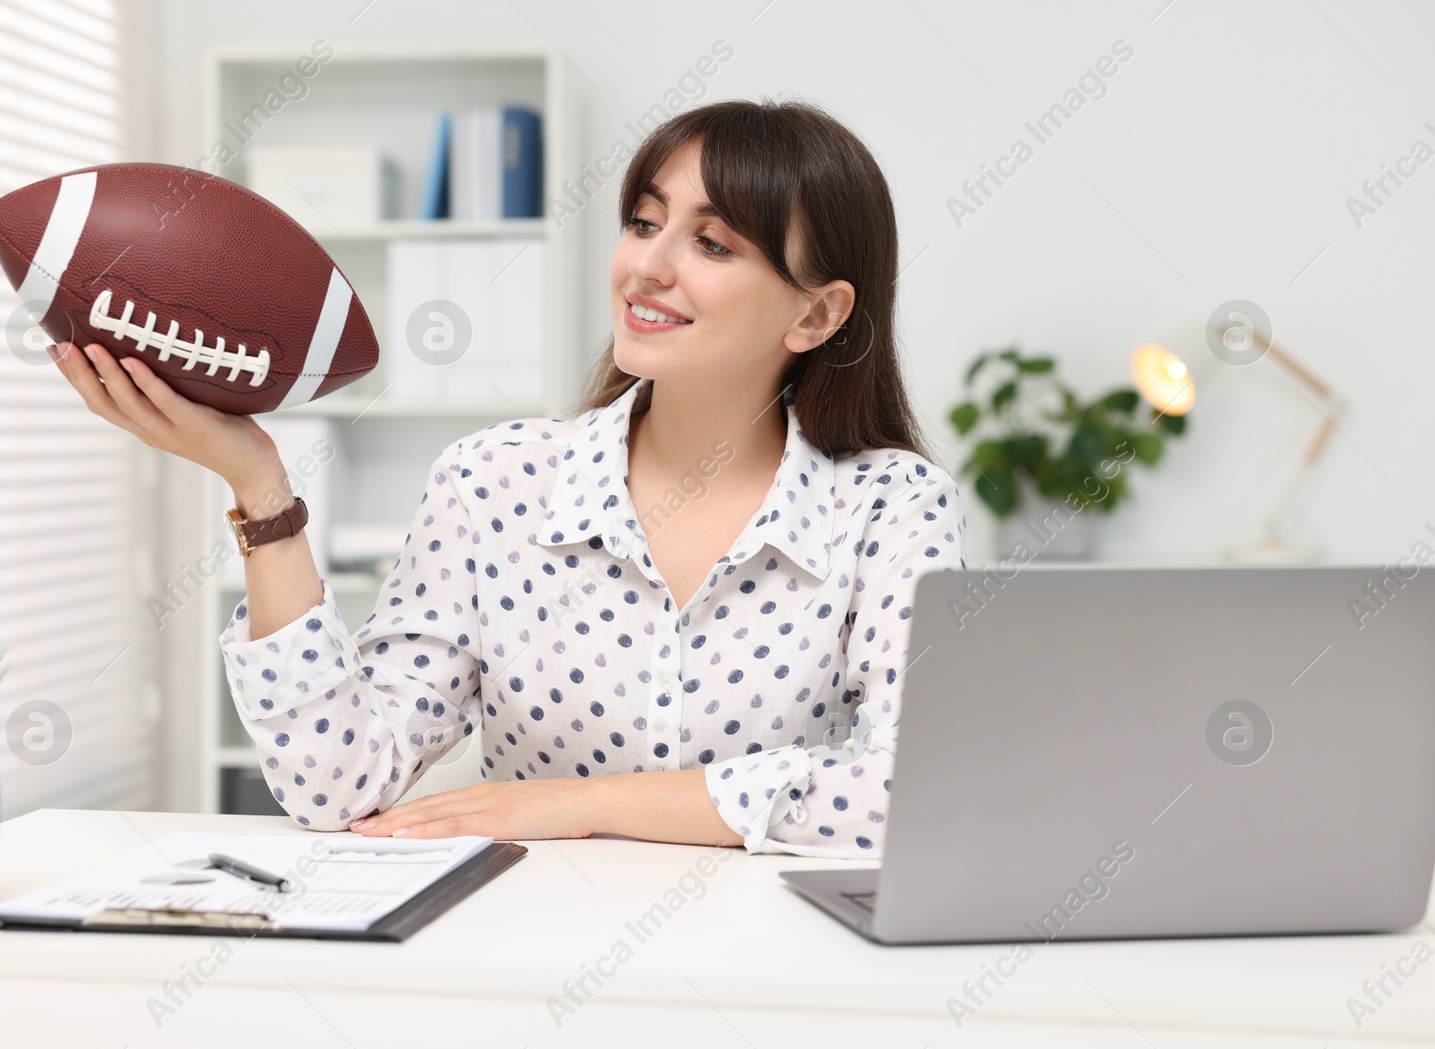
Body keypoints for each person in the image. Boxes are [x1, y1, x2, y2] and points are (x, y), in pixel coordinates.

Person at [50, 97, 966, 857]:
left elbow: (912, 792)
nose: (646, 265)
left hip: (773, 981)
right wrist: (259, 486)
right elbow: (337, 783)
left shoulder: (887, 506)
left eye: (712, 244)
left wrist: (575, 804)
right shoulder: (495, 481)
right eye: (644, 223)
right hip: (522, 963)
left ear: (816, 314)